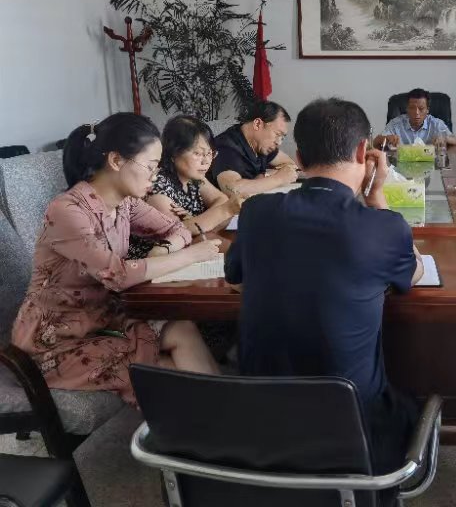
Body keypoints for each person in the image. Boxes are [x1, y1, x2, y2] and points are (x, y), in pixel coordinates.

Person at [226, 97, 424, 488]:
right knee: (410, 402)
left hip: (264, 422)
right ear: (363, 152)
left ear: (299, 158)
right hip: (353, 429)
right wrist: (376, 197)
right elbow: (413, 272)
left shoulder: (257, 213)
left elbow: (236, 277)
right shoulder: (384, 227)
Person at [12, 113, 221, 406]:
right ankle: (214, 420)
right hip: (55, 340)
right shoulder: (67, 211)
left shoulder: (126, 204)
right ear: (116, 161)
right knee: (171, 373)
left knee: (181, 328)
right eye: (150, 166)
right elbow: (118, 275)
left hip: (102, 317)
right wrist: (191, 254)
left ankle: (224, 417)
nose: (156, 175)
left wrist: (162, 249)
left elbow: (178, 229)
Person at [129, 115, 243, 260]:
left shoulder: (195, 178)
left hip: (192, 246)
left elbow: (221, 199)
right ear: (174, 153)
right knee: (232, 249)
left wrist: (197, 222)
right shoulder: (158, 186)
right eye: (198, 153)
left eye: (209, 153)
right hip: (154, 260)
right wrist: (222, 212)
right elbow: (177, 235)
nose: (206, 161)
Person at [210, 100, 298, 197]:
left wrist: (266, 176)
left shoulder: (262, 145)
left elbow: (290, 165)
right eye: (277, 134)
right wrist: (278, 179)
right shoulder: (227, 147)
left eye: (282, 137)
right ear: (257, 124)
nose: (279, 142)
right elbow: (233, 190)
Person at [373, 88, 456, 147]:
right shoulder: (395, 123)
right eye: (412, 108)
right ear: (407, 109)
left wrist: (444, 139)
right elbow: (375, 142)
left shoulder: (436, 123)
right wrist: (387, 138)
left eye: (421, 109)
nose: (416, 113)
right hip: (401, 165)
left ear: (427, 110)